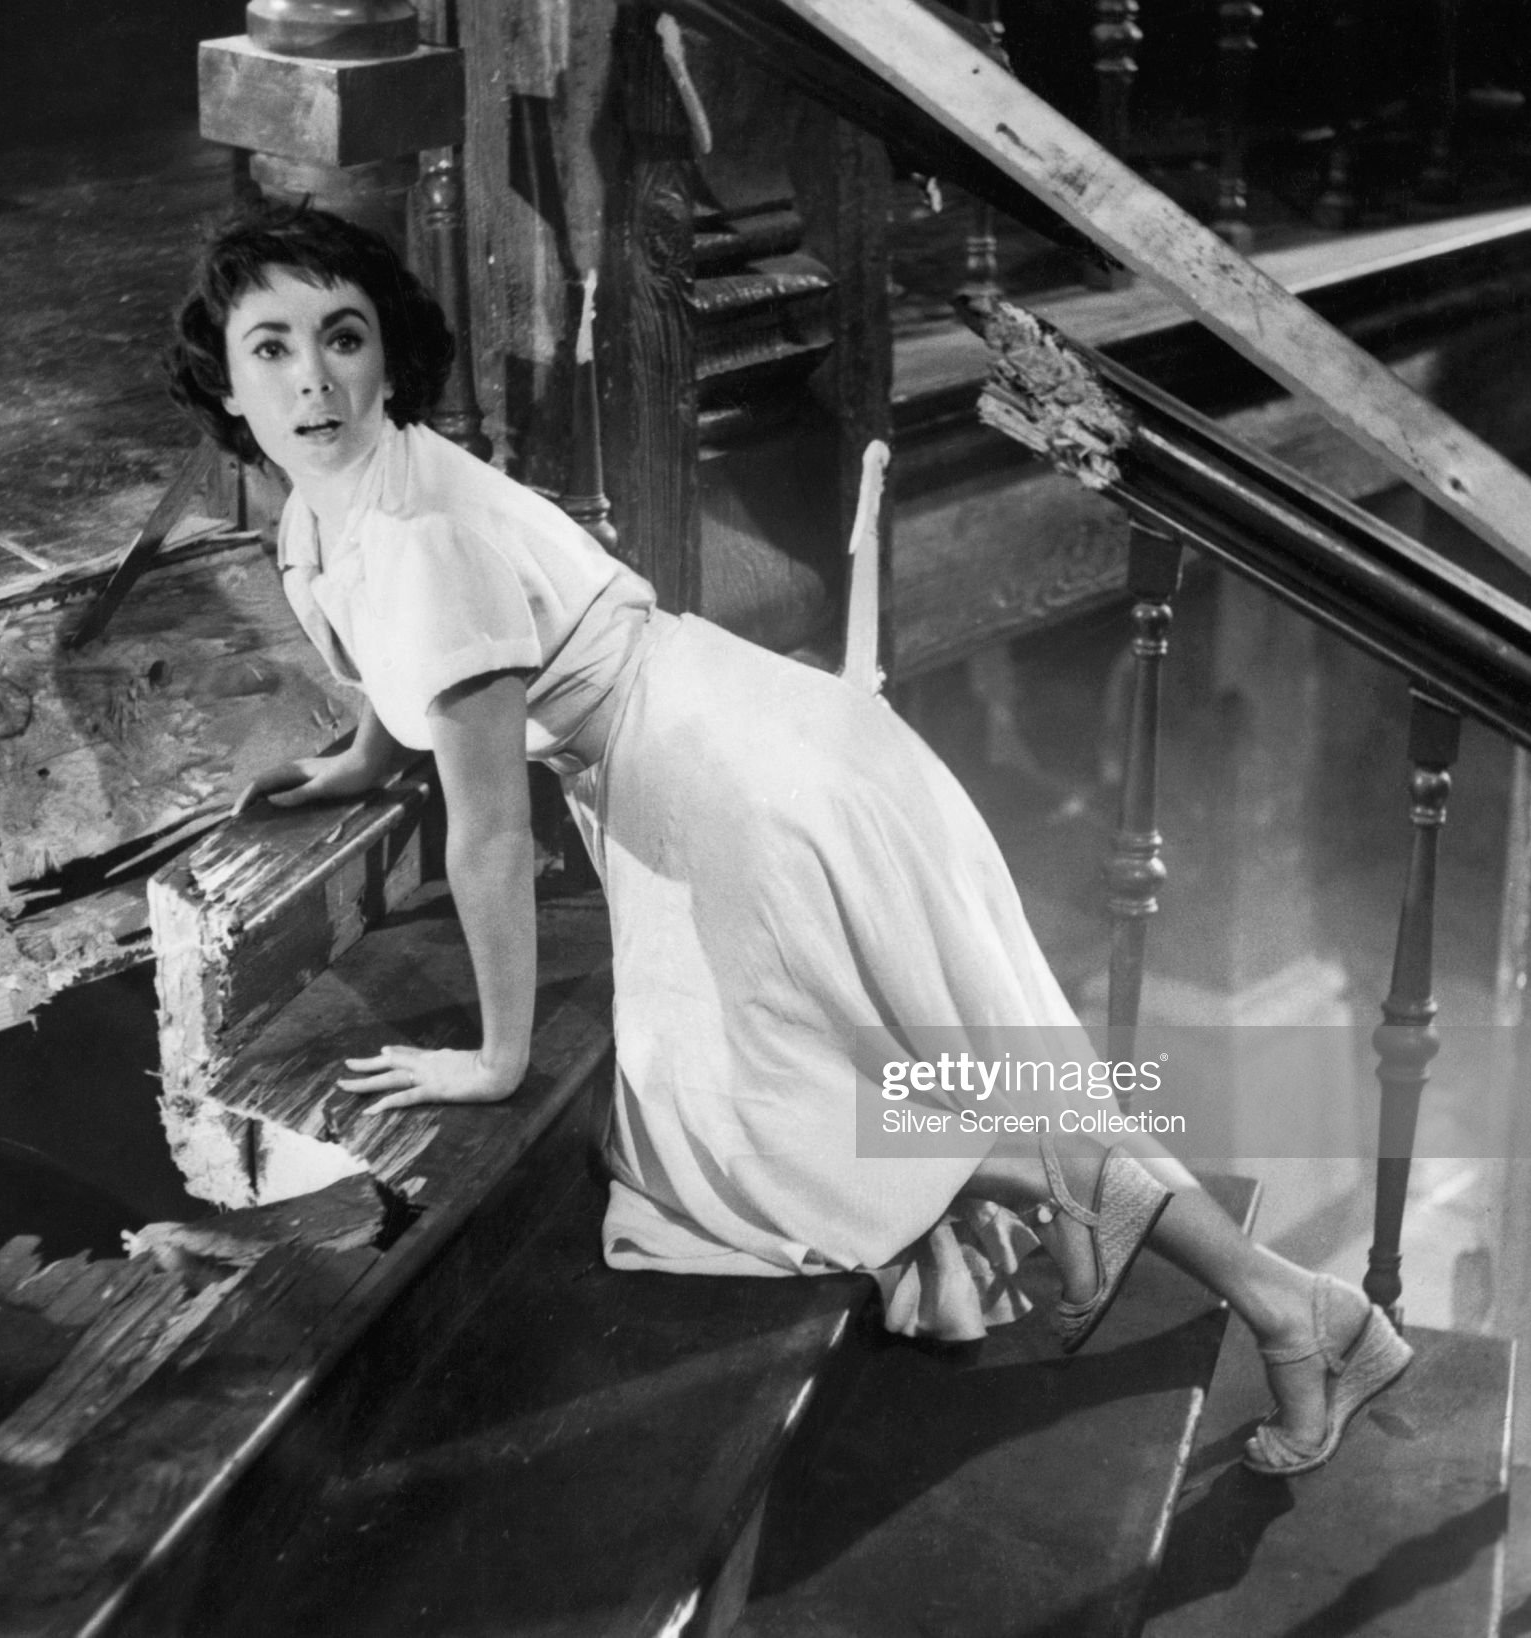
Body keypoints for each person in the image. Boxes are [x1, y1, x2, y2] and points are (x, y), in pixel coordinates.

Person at [165, 199, 1409, 1478]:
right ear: (227, 380)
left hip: (728, 785)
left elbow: (483, 831)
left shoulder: (414, 534)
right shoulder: (342, 495)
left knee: (752, 1136)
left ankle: (1138, 1224)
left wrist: (494, 1059)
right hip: (741, 735)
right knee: (928, 1075)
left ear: (386, 354)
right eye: (272, 347)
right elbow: (402, 667)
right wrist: (360, 762)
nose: (312, 379)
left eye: (343, 337)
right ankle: (1288, 1305)